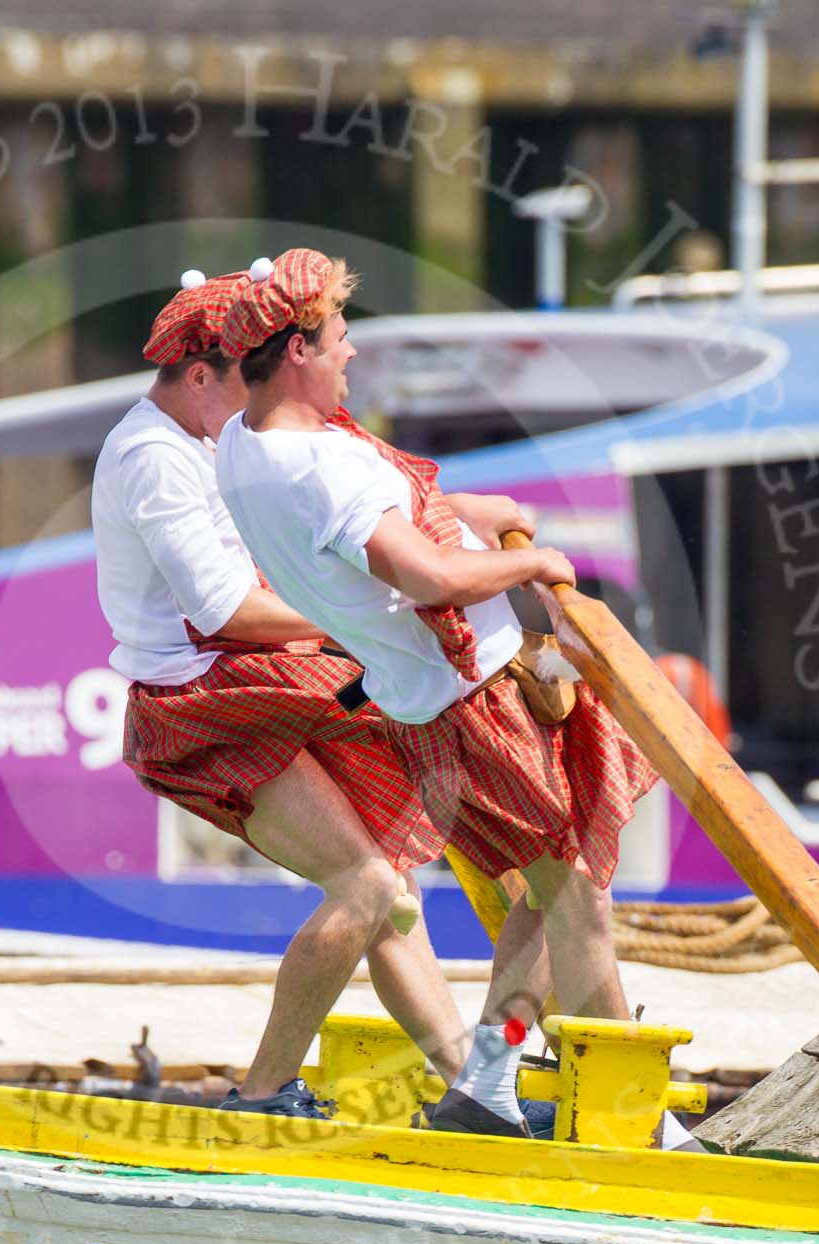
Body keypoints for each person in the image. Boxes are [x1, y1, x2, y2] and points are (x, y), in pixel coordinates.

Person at [215, 250, 660, 1138]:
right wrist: (533, 560)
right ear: (297, 348)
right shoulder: (322, 467)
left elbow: (389, 533)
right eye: (340, 339)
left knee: (550, 889)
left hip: (426, 705)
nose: (350, 354)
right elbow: (426, 578)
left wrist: (466, 511)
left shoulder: (242, 443)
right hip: (478, 698)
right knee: (575, 896)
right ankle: (632, 1124)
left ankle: (489, 1085)